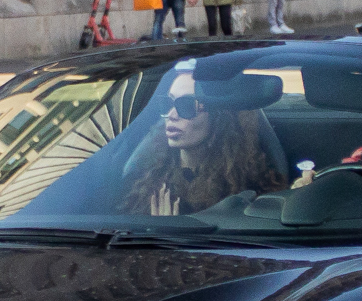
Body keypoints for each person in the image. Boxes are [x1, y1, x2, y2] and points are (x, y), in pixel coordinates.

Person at [117, 82, 289, 214]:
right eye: (168, 103)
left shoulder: (252, 189)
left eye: (187, 106)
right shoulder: (148, 181)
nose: (171, 115)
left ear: (219, 118)